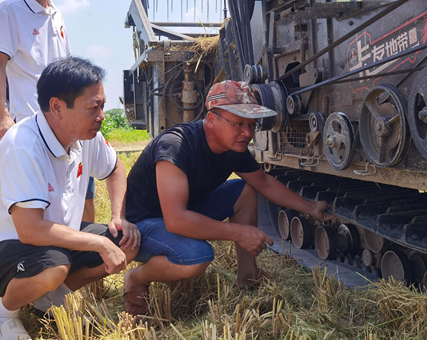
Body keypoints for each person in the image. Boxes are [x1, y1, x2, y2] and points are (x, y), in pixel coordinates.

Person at [0, 57, 140, 340]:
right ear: (57, 107)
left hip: (50, 239)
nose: (102, 116)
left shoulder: (85, 135)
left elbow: (115, 168)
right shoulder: (23, 146)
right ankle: (4, 314)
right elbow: (30, 230)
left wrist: (119, 215)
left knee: (126, 241)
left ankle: (48, 298)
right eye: (93, 107)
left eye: (102, 106)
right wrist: (99, 243)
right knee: (55, 265)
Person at [123, 80, 332, 316]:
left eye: (251, 125)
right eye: (238, 123)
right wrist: (240, 233)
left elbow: (263, 182)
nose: (247, 133)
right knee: (197, 257)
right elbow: (176, 220)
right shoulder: (176, 145)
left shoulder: (233, 149)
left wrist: (311, 208)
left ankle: (248, 275)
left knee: (245, 191)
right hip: (141, 227)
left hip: (185, 211)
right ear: (212, 119)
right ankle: (137, 278)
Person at [0, 0, 96, 222]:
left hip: (66, 119)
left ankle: (85, 241)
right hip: (32, 122)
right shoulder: (10, 11)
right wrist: (3, 116)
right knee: (41, 202)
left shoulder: (56, 13)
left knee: (81, 190)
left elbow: (69, 68)